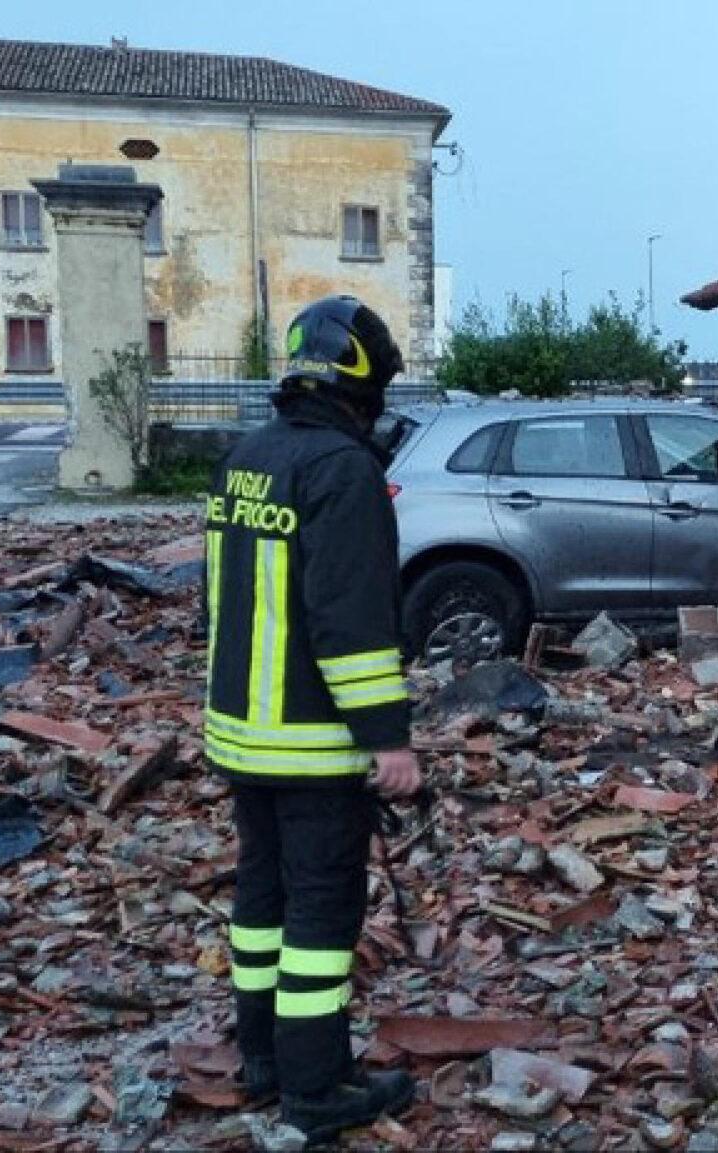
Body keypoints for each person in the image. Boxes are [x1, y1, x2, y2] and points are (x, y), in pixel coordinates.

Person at [202, 296, 419, 1142]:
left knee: (260, 903)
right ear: (358, 379)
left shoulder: (246, 458)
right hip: (314, 746)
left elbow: (224, 603)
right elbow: (352, 618)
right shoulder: (342, 471)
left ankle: (260, 1058)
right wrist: (388, 739)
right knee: (322, 925)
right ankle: (317, 1086)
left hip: (241, 738)